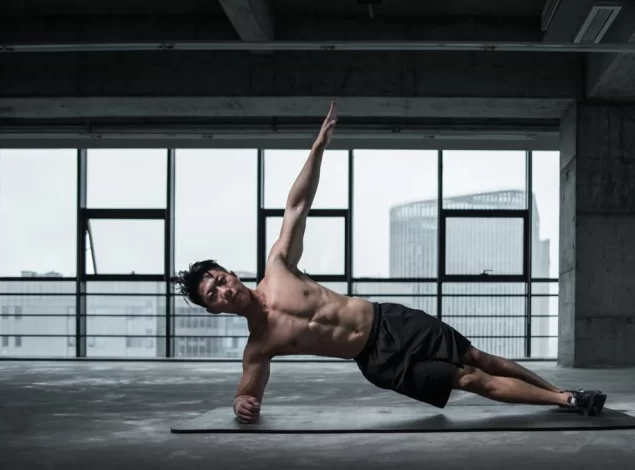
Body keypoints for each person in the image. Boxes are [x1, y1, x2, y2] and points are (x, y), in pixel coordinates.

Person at [175, 102, 608, 424]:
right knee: (467, 378)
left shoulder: (280, 267)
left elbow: (297, 205)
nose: (223, 289)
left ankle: (565, 393)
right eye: (213, 295)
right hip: (378, 361)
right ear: (215, 309)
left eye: (219, 279)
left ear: (230, 272)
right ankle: (567, 401)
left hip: (391, 320)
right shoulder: (259, 346)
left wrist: (319, 146)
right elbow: (248, 392)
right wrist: (239, 404)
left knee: (478, 356)